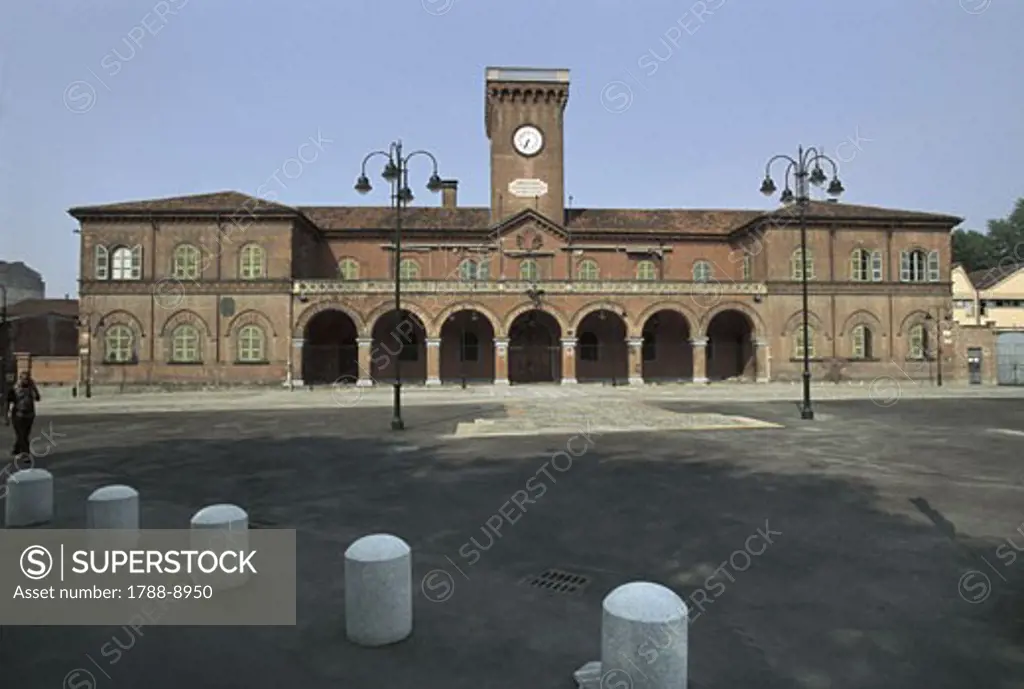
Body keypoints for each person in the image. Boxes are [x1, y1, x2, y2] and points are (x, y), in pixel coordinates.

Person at [4, 371, 41, 457]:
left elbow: (38, 398)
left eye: (27, 379)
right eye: (24, 379)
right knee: (22, 435)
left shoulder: (31, 388)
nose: (26, 381)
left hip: (29, 416)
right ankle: (26, 454)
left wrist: (34, 388)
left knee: (24, 435)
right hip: (18, 415)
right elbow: (7, 402)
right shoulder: (14, 389)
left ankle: (16, 449)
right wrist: (6, 417)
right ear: (20, 379)